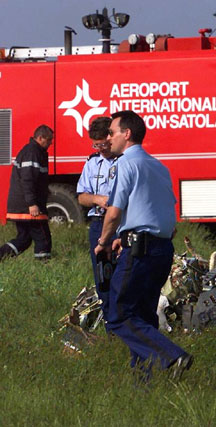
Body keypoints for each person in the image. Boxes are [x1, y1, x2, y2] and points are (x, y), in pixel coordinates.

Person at [94, 111, 192, 379]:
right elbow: (166, 216)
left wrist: (103, 242)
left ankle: (173, 356)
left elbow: (114, 212)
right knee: (143, 317)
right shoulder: (159, 167)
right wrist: (121, 237)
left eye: (112, 132)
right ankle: (143, 382)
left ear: (127, 134)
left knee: (120, 315)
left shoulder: (125, 164)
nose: (108, 137)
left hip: (139, 251)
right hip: (161, 249)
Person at [76, 117, 117, 324]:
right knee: (102, 277)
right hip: (98, 224)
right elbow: (82, 196)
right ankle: (111, 325)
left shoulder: (124, 161)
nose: (100, 149)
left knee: (122, 276)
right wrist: (97, 199)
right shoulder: (92, 163)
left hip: (120, 225)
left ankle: (126, 322)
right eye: (96, 145)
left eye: (103, 144)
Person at [0, 125, 54, 261]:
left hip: (21, 206)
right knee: (43, 238)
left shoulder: (34, 152)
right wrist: (32, 203)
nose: (51, 143)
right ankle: (44, 267)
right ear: (40, 138)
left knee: (24, 239)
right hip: (28, 207)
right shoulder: (32, 152)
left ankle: (1, 256)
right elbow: (28, 179)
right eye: (49, 140)